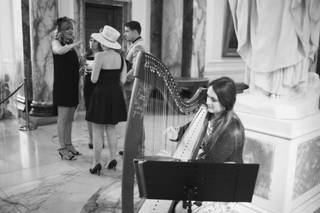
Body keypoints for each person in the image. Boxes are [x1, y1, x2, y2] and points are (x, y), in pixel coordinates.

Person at [168, 77, 245, 212]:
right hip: (206, 176)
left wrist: (183, 163)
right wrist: (177, 133)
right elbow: (188, 128)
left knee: (179, 207)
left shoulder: (232, 129)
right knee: (172, 197)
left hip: (222, 185)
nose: (208, 102)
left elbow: (211, 165)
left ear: (226, 102)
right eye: (208, 97)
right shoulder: (209, 115)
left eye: (213, 100)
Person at [85, 25, 127, 175]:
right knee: (111, 129)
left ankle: (96, 162)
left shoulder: (99, 56)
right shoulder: (121, 58)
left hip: (101, 94)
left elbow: (94, 79)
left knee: (97, 130)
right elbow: (123, 79)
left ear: (103, 42)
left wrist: (91, 70)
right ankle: (112, 158)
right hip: (115, 94)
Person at [52, 16, 82, 160]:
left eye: (71, 28)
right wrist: (74, 45)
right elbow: (59, 51)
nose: (70, 31)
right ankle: (62, 148)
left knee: (70, 118)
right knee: (63, 118)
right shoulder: (56, 43)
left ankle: (69, 144)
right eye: (67, 29)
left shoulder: (71, 46)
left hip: (72, 86)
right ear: (60, 31)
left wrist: (81, 67)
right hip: (62, 87)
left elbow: (72, 66)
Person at [83, 35, 102, 149]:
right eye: (90, 40)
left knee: (100, 112)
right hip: (88, 85)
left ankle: (100, 139)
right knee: (89, 113)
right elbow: (82, 71)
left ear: (99, 43)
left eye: (95, 41)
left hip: (99, 85)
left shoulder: (102, 55)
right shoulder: (86, 55)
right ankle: (91, 139)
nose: (92, 42)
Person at [123, 20, 145, 106]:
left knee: (130, 115)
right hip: (132, 86)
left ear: (135, 32)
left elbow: (136, 69)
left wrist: (122, 80)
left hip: (133, 86)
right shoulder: (136, 44)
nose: (125, 34)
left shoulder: (138, 46)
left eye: (127, 31)